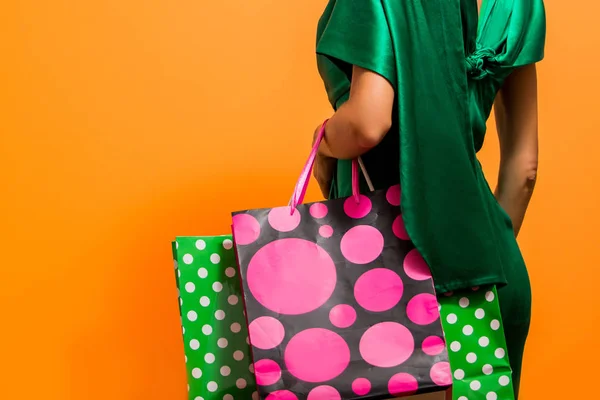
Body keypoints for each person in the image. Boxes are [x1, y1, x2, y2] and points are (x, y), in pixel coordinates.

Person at [312, 0, 545, 398]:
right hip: (490, 266)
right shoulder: (519, 5)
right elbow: (525, 168)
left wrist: (321, 147)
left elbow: (368, 123)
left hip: (391, 277)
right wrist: (480, 255)